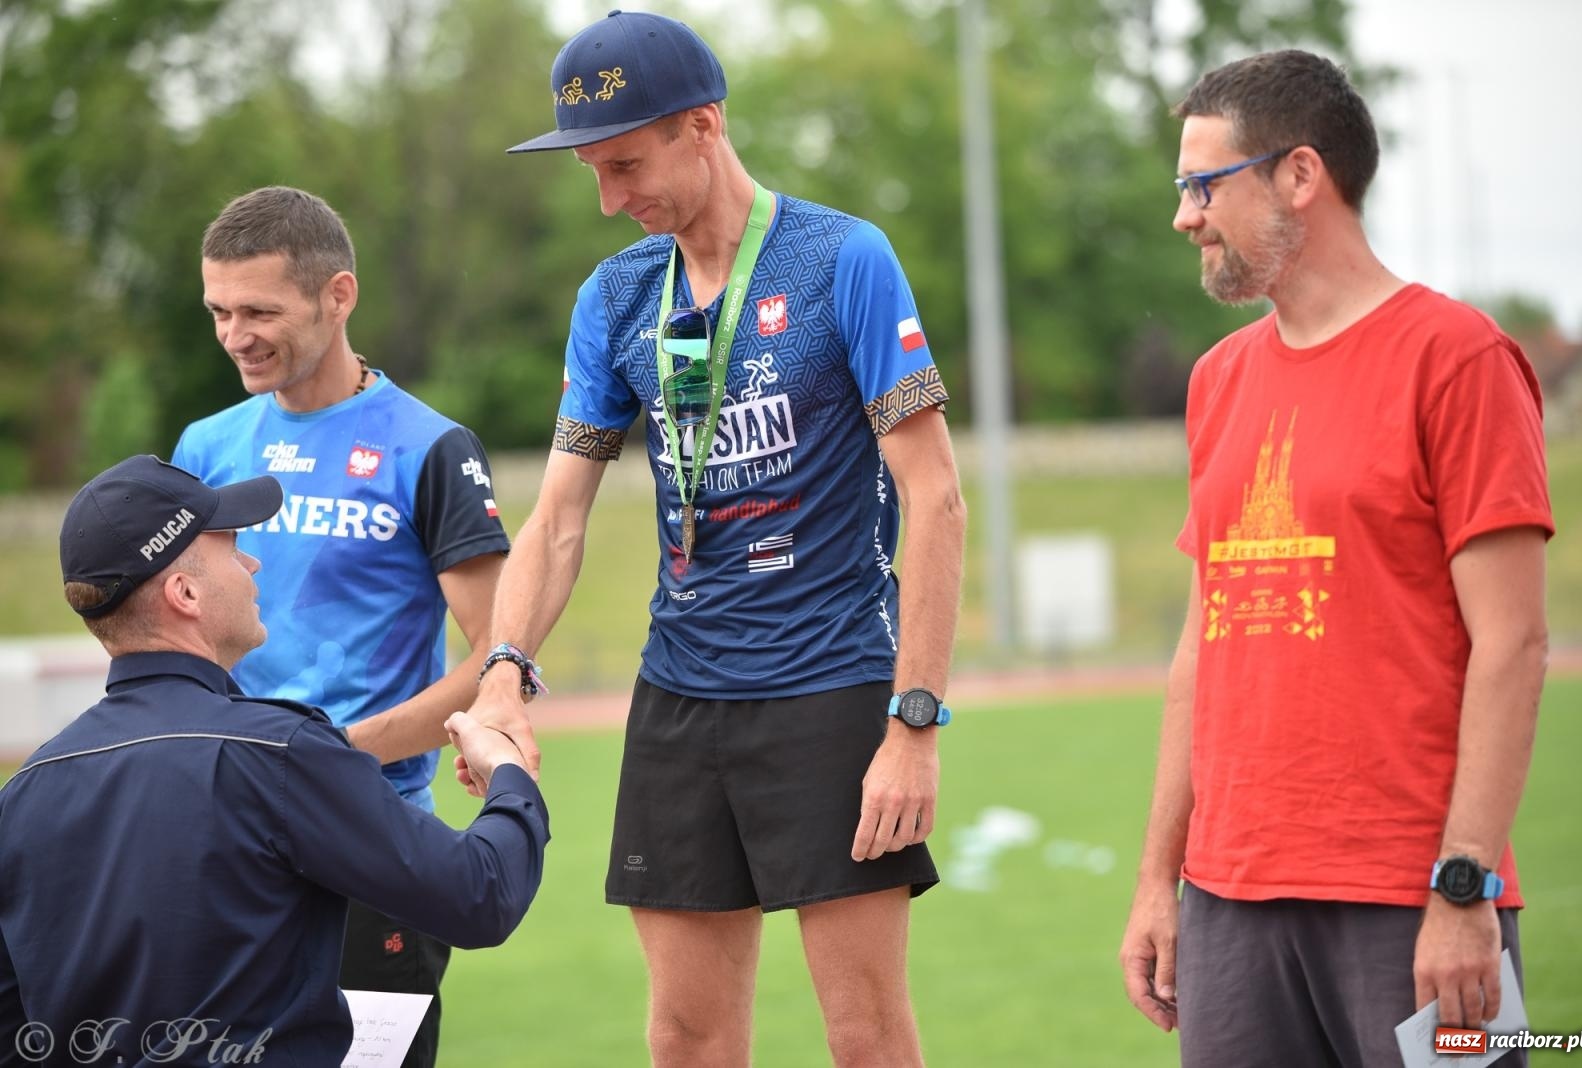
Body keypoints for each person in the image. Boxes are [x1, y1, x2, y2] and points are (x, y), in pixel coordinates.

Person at [477, 10, 965, 1066]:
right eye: (591, 175)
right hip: (680, 699)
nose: (611, 199)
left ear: (704, 124)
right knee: (686, 1039)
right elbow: (559, 512)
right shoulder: (616, 294)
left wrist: (913, 722)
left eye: (626, 165)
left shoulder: (841, 257)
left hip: (830, 688)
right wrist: (504, 670)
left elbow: (935, 498)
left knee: (866, 1037)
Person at [1118, 50, 1553, 1067]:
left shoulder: (1460, 359)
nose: (1184, 216)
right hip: (1229, 905)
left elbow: (1515, 643)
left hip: (1412, 903)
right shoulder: (1217, 380)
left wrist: (1463, 885)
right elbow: (1202, 649)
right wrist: (1157, 879)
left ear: (1300, 176)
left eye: (1202, 184)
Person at [0, 455, 549, 1066]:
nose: (252, 562)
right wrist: (510, 774)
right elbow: (479, 896)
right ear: (184, 593)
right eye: (231, 547)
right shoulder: (278, 754)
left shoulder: (22, 794)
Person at [170, 185, 513, 1067]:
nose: (234, 334)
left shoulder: (430, 448)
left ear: (338, 295)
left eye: (259, 310)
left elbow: (499, 655)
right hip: (224, 839)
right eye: (218, 310)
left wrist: (337, 757)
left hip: (372, 840)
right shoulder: (205, 448)